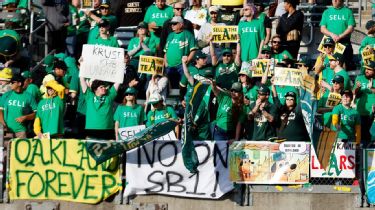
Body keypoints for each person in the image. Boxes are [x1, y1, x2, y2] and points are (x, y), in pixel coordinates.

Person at [320, 0, 356, 70]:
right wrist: (332, 34)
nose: (335, 1)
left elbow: (351, 28)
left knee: (345, 67)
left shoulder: (348, 12)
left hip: (344, 43)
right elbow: (322, 28)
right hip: (329, 43)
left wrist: (340, 36)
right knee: (328, 66)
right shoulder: (326, 12)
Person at [164, 16, 197, 88]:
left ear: (181, 24)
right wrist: (166, 63)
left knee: (182, 87)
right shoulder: (170, 35)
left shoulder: (188, 34)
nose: (172, 25)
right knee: (172, 89)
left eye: (175, 24)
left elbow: (193, 50)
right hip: (170, 66)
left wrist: (187, 62)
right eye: (171, 24)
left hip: (182, 66)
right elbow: (166, 51)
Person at [354, 61, 375, 147]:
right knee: (361, 136)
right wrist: (357, 88)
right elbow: (354, 93)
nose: (367, 71)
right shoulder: (360, 78)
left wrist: (372, 88)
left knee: (369, 136)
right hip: (360, 112)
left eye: (369, 69)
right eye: (366, 68)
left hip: (372, 113)